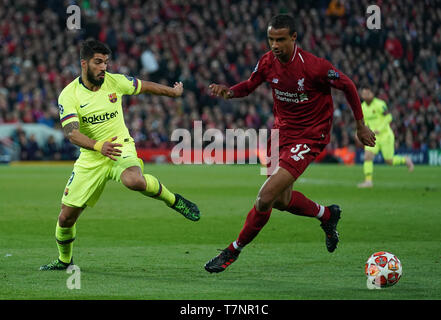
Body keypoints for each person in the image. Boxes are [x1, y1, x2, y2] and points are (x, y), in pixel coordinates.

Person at [204, 15, 376, 273]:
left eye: (280, 39)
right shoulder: (267, 62)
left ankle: (233, 250)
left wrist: (360, 124)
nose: (274, 44)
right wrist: (230, 91)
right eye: (271, 39)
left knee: (265, 198)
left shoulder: (314, 67)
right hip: (281, 134)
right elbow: (250, 85)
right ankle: (327, 215)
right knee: (282, 201)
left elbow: (348, 85)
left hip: (309, 135)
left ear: (293, 38)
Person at [40, 40, 200, 271]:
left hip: (119, 147)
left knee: (133, 180)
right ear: (84, 64)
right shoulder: (69, 95)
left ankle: (174, 200)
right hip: (91, 156)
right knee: (66, 218)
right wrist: (97, 146)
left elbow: (144, 86)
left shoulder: (115, 81)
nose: (103, 67)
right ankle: (64, 260)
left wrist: (173, 92)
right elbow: (72, 133)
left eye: (106, 62)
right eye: (98, 62)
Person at [357, 87, 414, 188]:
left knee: (389, 161)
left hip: (385, 135)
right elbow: (363, 122)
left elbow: (389, 117)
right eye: (364, 93)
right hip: (373, 137)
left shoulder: (380, 104)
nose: (366, 95)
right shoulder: (362, 107)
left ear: (372, 93)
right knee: (367, 156)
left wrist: (379, 128)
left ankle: (405, 160)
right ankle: (368, 181)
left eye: (368, 93)